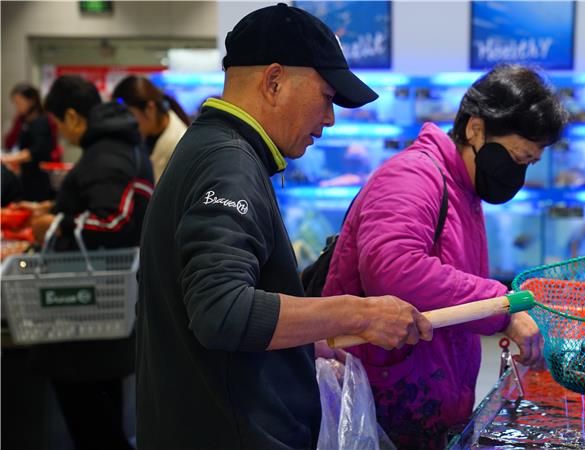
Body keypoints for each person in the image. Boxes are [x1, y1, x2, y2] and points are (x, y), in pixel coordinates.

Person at [135, 4, 432, 450]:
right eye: (326, 97)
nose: (329, 120)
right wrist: (361, 313)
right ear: (273, 81)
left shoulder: (208, 146)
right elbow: (222, 312)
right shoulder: (229, 163)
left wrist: (307, 338)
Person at [323, 64, 568, 449]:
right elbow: (394, 269)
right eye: (517, 158)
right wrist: (502, 308)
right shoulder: (413, 177)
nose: (518, 175)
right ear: (476, 129)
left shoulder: (464, 190)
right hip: (380, 415)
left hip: (425, 409)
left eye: (530, 164)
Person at [27, 75, 154, 450]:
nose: (61, 134)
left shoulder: (106, 154)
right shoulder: (116, 146)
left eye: (58, 123)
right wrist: (58, 209)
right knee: (102, 423)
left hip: (89, 322)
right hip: (101, 314)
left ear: (72, 116)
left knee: (95, 430)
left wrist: (56, 224)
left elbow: (112, 221)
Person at [111, 76, 191, 182]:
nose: (126, 123)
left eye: (130, 116)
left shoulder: (179, 143)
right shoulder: (146, 135)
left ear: (150, 108)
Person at [1, 83, 58, 201]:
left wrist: (9, 158)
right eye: (15, 103)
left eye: (19, 102)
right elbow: (10, 141)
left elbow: (37, 150)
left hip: (39, 178)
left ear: (31, 101)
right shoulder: (24, 121)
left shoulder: (41, 122)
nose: (17, 107)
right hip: (26, 175)